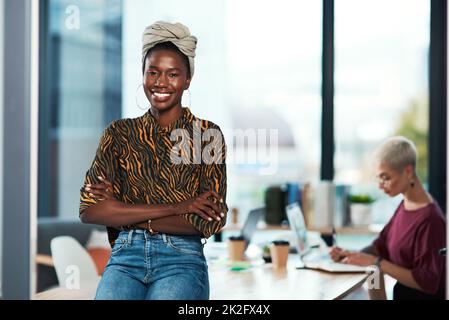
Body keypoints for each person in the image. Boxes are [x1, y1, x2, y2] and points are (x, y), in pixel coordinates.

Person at [79, 21, 228, 300]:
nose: (161, 82)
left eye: (173, 74)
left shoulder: (206, 135)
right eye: (153, 72)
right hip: (126, 258)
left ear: (187, 79)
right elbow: (90, 210)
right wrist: (179, 207)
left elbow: (208, 221)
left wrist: (124, 210)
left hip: (181, 259)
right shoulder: (118, 134)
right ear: (143, 74)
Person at [329, 136, 446, 300]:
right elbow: (380, 246)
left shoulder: (431, 219)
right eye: (379, 177)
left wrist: (376, 262)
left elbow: (427, 281)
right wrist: (351, 255)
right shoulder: (405, 205)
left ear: (408, 171)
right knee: (372, 271)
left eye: (386, 177)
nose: (380, 184)